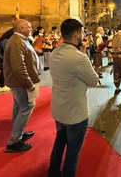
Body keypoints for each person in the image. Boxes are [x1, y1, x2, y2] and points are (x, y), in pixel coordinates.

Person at [48, 18, 99, 177]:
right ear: (76, 34)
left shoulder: (55, 52)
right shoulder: (79, 58)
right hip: (75, 112)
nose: (83, 35)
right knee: (73, 150)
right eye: (82, 32)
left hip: (59, 108)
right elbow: (94, 81)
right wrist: (84, 56)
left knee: (59, 142)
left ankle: (53, 172)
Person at [3, 19, 40, 153]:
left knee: (18, 106)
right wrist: (29, 83)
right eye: (29, 27)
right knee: (27, 106)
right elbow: (19, 67)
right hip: (20, 82)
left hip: (18, 81)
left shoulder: (20, 39)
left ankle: (19, 132)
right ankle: (14, 142)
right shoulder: (17, 42)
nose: (31, 29)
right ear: (21, 28)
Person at [0, 28, 14, 92]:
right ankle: (2, 86)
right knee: (4, 72)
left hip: (5, 58)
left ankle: (5, 84)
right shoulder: (4, 42)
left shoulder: (8, 40)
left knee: (6, 72)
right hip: (2, 59)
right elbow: (6, 52)